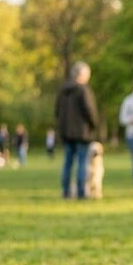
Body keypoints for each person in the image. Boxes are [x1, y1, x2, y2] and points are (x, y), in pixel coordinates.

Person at [56, 61, 101, 199]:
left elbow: (57, 111)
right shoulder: (83, 90)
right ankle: (82, 192)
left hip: (66, 133)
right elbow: (89, 111)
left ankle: (66, 192)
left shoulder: (62, 90)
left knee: (67, 163)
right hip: (82, 133)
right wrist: (94, 124)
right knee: (82, 163)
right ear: (82, 74)